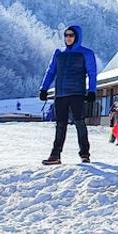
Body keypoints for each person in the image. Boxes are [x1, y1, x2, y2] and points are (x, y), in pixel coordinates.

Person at [40, 25, 97, 165]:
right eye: (66, 35)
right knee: (60, 125)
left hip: (77, 93)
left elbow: (92, 73)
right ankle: (55, 155)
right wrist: (44, 88)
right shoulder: (58, 52)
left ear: (77, 36)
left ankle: (85, 154)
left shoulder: (87, 53)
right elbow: (51, 71)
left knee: (80, 123)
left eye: (71, 35)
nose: (68, 37)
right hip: (60, 94)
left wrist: (92, 91)